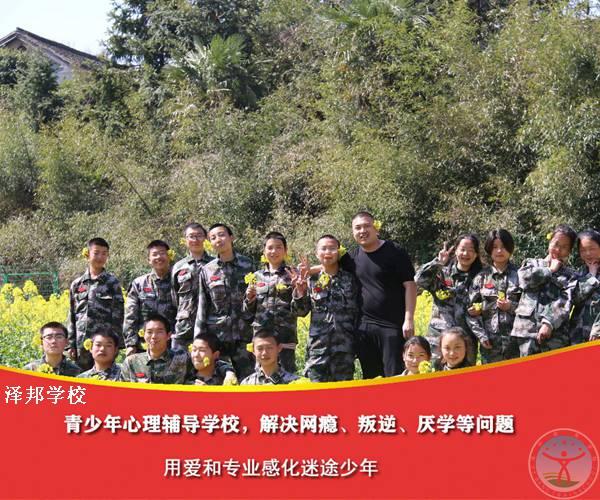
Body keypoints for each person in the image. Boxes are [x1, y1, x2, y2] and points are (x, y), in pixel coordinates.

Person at [340, 211, 417, 378]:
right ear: (353, 232)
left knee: (395, 376)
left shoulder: (395, 251)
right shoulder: (351, 258)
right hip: (364, 328)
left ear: (376, 228)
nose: (362, 231)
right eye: (357, 228)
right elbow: (328, 263)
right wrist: (307, 271)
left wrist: (409, 318)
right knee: (371, 378)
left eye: (367, 226)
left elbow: (410, 285)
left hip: (392, 327)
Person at [292, 234, 358, 382]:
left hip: (344, 350)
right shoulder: (310, 280)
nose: (328, 252)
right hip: (318, 350)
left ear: (339, 252)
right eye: (323, 248)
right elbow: (300, 312)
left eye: (332, 248)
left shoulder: (350, 279)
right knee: (315, 393)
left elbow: (357, 311)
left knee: (343, 392)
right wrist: (300, 291)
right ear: (317, 253)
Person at [194, 223, 255, 379]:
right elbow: (202, 304)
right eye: (213, 238)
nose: (218, 240)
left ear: (231, 237)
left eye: (221, 235)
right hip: (218, 336)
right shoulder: (207, 270)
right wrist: (199, 337)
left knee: (247, 379)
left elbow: (257, 300)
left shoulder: (247, 264)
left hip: (244, 335)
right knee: (219, 380)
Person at [510, 224, 577, 356]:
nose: (558, 250)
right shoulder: (531, 263)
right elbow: (523, 280)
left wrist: (549, 323)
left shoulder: (570, 276)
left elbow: (565, 301)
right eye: (556, 244)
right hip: (526, 332)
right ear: (550, 242)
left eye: (564, 247)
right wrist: (549, 270)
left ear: (569, 251)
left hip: (555, 336)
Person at [415, 233, 483, 360]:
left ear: (476, 254)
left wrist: (480, 309)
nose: (466, 254)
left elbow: (490, 303)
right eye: (462, 249)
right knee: (435, 371)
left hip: (465, 341)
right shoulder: (442, 273)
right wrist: (438, 262)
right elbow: (419, 280)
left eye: (471, 250)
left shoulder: (482, 277)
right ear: (455, 250)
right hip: (438, 338)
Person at [243, 231, 302, 373]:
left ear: (285, 251)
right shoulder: (255, 276)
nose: (274, 251)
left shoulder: (293, 274)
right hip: (262, 339)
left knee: (287, 377)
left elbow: (302, 310)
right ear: (264, 251)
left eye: (278, 247)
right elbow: (247, 313)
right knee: (262, 377)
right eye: (270, 248)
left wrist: (299, 290)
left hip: (285, 338)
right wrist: (249, 298)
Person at [68, 237, 124, 370]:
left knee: (105, 376)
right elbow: (72, 315)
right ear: (87, 254)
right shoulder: (77, 284)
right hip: (82, 344)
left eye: (104, 253)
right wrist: (70, 344)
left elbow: (119, 315)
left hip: (104, 345)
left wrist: (117, 344)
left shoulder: (112, 283)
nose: (100, 257)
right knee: (82, 377)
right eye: (96, 253)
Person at [466, 229, 521, 363]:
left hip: (516, 344)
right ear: (489, 249)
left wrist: (511, 306)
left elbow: (530, 307)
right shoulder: (481, 278)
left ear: (510, 248)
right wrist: (481, 335)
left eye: (503, 247)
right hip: (490, 346)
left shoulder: (521, 275)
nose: (499, 251)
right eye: (495, 247)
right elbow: (469, 312)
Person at [124, 240, 177, 356]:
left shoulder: (178, 281)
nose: (159, 257)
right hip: (145, 345)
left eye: (162, 253)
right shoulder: (139, 283)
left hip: (173, 344)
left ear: (169, 256)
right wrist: (131, 343)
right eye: (154, 254)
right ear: (148, 260)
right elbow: (130, 316)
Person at [171, 223, 213, 352]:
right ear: (185, 240)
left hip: (210, 324)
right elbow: (175, 298)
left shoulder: (215, 263)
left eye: (199, 235)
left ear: (205, 238)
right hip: (185, 326)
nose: (195, 240)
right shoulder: (178, 267)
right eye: (191, 236)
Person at [121, 313, 194, 384]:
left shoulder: (183, 360)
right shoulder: (131, 362)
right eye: (149, 332)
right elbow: (121, 389)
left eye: (159, 332)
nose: (154, 336)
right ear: (144, 335)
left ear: (168, 335)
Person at [570, 229, 600, 345]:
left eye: (592, 249)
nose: (588, 253)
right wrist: (591, 275)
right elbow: (574, 299)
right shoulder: (579, 274)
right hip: (578, 337)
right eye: (583, 250)